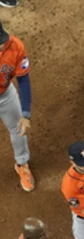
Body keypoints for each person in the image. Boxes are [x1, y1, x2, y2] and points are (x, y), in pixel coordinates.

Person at [0, 21, 33, 192]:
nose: (1, 46)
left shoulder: (15, 46)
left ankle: (22, 163)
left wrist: (26, 114)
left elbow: (24, 81)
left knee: (18, 127)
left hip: (4, 95)